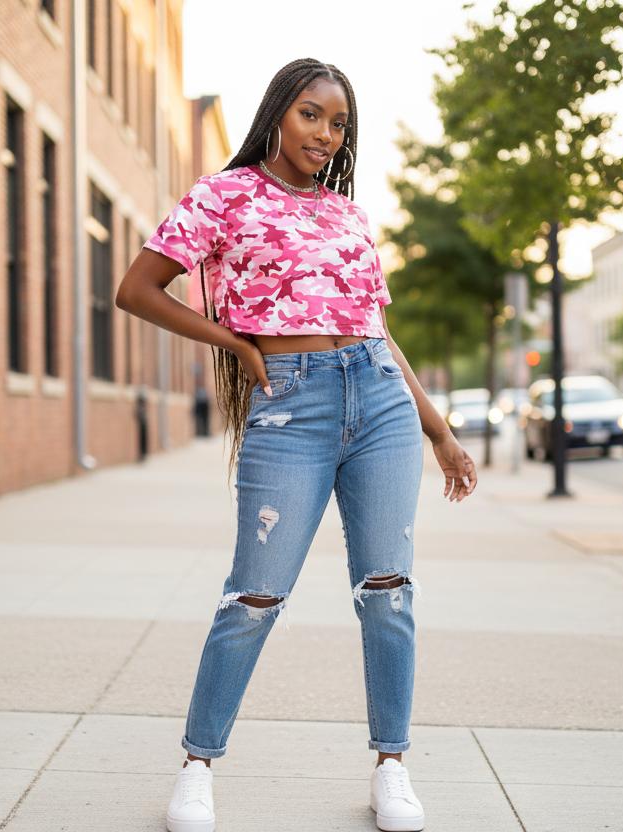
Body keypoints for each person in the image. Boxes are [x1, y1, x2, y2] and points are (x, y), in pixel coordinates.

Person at [116, 57, 477, 832]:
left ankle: (392, 766)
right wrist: (238, 346)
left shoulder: (349, 215)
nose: (324, 133)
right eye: (311, 114)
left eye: (338, 122)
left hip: (377, 396)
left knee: (389, 594)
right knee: (253, 596)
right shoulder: (224, 194)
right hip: (291, 405)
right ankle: (197, 768)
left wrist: (438, 430)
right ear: (280, 112)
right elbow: (137, 290)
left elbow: (377, 330)